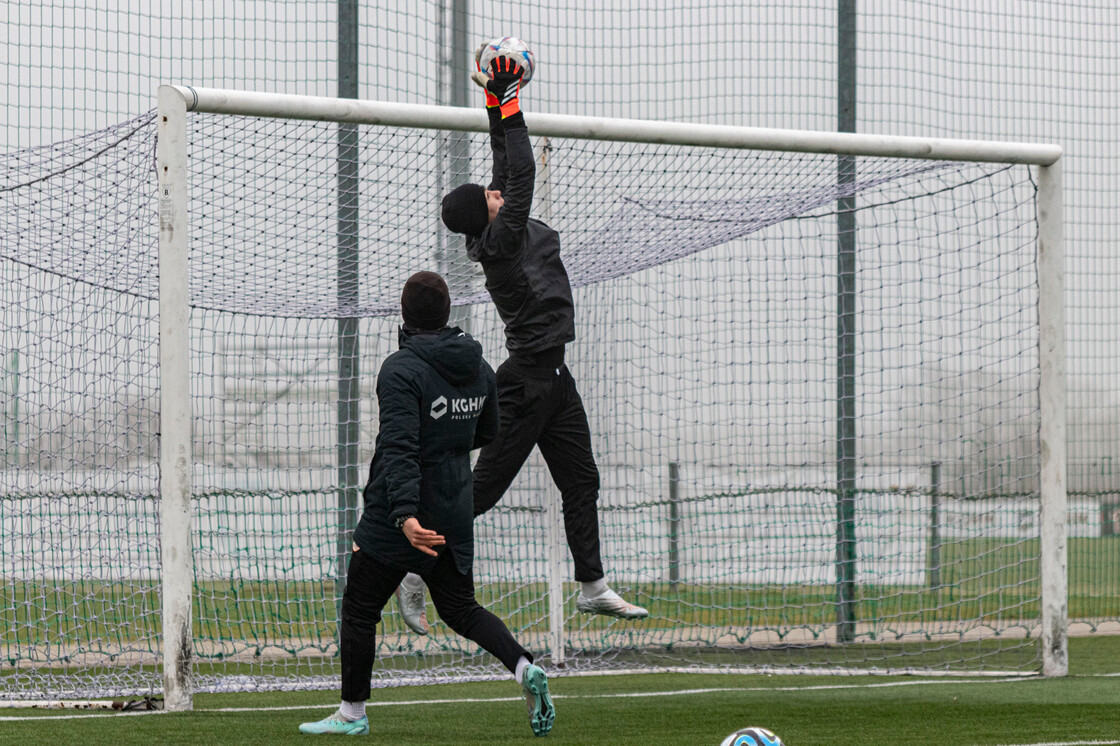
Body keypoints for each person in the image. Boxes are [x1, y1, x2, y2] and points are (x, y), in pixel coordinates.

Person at [394, 46, 648, 637]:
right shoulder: (503, 241)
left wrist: (494, 106)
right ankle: (412, 568)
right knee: (477, 495)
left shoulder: (495, 221)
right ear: (484, 220)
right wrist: (510, 101)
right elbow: (524, 173)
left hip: (554, 379)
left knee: (581, 478)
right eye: (488, 197)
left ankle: (592, 586)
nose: (498, 192)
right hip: (528, 382)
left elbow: (506, 166)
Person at [299, 271, 555, 738]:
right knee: (460, 609)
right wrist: (448, 452)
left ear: (404, 314)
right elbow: (489, 431)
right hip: (455, 507)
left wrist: (405, 517)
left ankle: (352, 715)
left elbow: (399, 447)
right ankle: (522, 667)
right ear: (447, 311)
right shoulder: (478, 367)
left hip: (399, 516)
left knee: (359, 608)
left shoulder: (400, 369)